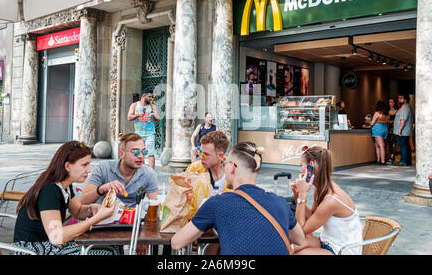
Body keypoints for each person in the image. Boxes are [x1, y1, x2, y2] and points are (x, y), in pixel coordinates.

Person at [171, 142, 305, 254]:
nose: (224, 166)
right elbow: (300, 239)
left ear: (232, 167)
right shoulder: (279, 201)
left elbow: (177, 243)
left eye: (226, 163)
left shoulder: (217, 203)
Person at [12, 141, 119, 255]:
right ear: (67, 166)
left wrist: (92, 209)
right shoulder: (50, 190)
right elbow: (56, 237)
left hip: (47, 244)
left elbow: (77, 211)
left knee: (111, 247)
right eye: (84, 165)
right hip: (33, 249)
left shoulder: (65, 186)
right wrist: (97, 218)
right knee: (106, 252)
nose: (89, 170)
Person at [291, 146, 362, 255]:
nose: (300, 171)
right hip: (326, 242)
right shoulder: (321, 189)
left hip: (342, 251)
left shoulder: (331, 200)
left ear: (311, 166)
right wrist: (297, 198)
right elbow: (312, 218)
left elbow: (300, 233)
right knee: (289, 245)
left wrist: (302, 196)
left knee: (297, 252)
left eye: (302, 166)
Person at [80, 133, 159, 207]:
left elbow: (155, 202)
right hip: (104, 217)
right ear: (122, 154)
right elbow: (83, 201)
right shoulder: (103, 168)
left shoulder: (148, 173)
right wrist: (101, 189)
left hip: (132, 218)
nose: (141, 156)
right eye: (136, 152)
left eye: (143, 152)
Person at [127, 88, 160, 169]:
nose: (151, 99)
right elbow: (129, 117)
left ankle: (151, 173)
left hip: (150, 133)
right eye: (149, 97)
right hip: (139, 134)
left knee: (150, 153)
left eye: (151, 97)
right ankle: (142, 171)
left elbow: (158, 118)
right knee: (140, 153)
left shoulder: (152, 106)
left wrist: (154, 115)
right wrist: (137, 115)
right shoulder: (134, 105)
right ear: (144, 96)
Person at [393, 94, 413, 166]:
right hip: (405, 131)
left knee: (403, 146)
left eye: (401, 98)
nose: (399, 99)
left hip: (403, 132)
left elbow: (403, 120)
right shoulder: (406, 107)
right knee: (406, 145)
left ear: (405, 99)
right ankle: (408, 161)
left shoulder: (405, 108)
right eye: (398, 98)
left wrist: (399, 130)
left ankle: (403, 161)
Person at [370, 101, 390, 165]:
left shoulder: (377, 113)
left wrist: (370, 125)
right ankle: (378, 160)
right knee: (377, 145)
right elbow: (387, 121)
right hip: (384, 128)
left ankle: (382, 161)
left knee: (381, 146)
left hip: (377, 128)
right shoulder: (387, 113)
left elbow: (372, 123)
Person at [386, 98, 398, 164]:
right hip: (388, 129)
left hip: (395, 129)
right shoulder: (387, 112)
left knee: (393, 143)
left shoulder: (397, 111)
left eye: (393, 101)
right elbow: (385, 120)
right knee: (390, 143)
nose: (391, 103)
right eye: (390, 101)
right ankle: (391, 157)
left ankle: (392, 157)